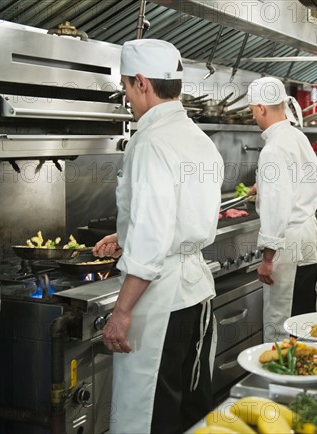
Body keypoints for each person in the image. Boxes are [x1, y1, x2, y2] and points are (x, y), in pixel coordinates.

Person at [92, 39, 223, 434]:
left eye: (127, 87)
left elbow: (152, 239)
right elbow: (173, 213)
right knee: (192, 413)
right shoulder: (197, 137)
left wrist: (121, 312)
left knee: (150, 417)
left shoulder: (149, 142)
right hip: (197, 294)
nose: (128, 97)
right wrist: (125, 232)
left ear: (142, 82)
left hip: (162, 300)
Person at [247, 77, 317, 343]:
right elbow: (297, 181)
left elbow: (277, 207)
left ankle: (285, 381)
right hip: (309, 241)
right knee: (310, 320)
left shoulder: (272, 149)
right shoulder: (296, 136)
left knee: (286, 328)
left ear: (261, 108)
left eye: (252, 111)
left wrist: (268, 258)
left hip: (290, 247)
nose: (254, 117)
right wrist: (264, 183)